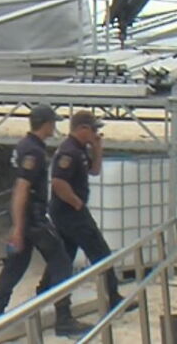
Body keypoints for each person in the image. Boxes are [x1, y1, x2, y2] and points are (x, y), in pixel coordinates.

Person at [0, 104, 91, 337]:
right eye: (52, 123)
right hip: (33, 219)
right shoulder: (33, 152)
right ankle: (63, 319)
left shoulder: (24, 146)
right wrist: (19, 227)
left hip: (26, 218)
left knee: (15, 267)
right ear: (46, 124)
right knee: (62, 262)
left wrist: (16, 225)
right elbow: (22, 189)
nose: (54, 127)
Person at [40, 109, 138, 312]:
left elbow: (94, 170)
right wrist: (76, 203)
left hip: (69, 212)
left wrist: (97, 148)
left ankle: (43, 292)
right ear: (81, 128)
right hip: (70, 212)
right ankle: (113, 297)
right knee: (100, 252)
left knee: (64, 255)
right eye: (93, 129)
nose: (95, 133)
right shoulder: (69, 151)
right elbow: (58, 182)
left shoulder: (80, 149)